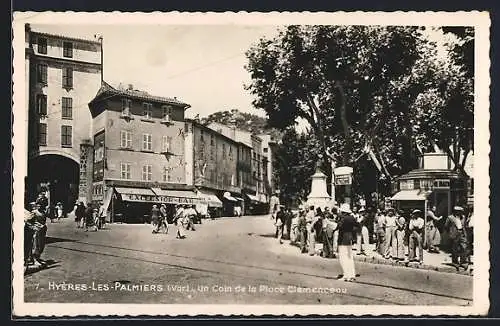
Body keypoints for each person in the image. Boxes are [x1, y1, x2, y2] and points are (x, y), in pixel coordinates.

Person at [336, 203, 358, 282]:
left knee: (343, 258)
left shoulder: (343, 219)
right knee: (350, 258)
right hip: (349, 239)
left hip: (343, 240)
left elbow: (338, 226)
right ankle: (352, 275)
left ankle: (346, 275)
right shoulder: (352, 218)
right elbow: (356, 226)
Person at [444, 206, 469, 270]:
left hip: (462, 233)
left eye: (461, 212)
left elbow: (464, 226)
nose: (460, 213)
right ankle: (455, 262)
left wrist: (465, 234)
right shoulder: (450, 218)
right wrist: (450, 233)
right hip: (454, 234)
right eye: (459, 212)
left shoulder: (463, 217)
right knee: (455, 248)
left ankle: (463, 262)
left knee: (464, 247)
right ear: (455, 211)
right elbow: (446, 226)